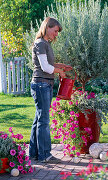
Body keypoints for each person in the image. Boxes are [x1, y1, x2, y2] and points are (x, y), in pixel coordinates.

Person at [29, 17, 72, 163]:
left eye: (57, 32)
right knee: (44, 121)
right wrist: (59, 71)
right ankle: (44, 155)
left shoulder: (45, 43)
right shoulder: (40, 43)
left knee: (39, 120)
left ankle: (34, 154)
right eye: (55, 31)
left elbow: (49, 63)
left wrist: (62, 66)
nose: (56, 34)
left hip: (44, 84)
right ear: (47, 27)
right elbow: (45, 68)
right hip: (41, 85)